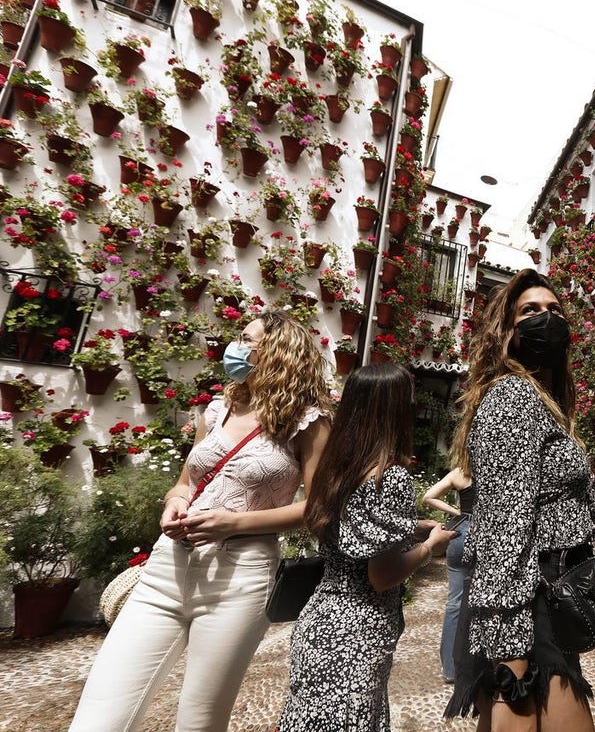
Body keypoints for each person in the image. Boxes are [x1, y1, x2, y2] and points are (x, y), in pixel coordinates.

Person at [69, 310, 332, 732]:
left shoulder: (307, 422)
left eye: (246, 339)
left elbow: (317, 508)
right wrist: (173, 505)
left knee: (200, 722)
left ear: (277, 352)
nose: (235, 347)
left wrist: (233, 524)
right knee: (98, 719)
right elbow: (184, 484)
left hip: (240, 579)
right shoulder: (216, 410)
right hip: (166, 571)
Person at [444, 269, 595, 732]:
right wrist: (510, 644)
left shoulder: (541, 399)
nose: (546, 319)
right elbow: (503, 526)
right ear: (507, 333)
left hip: (545, 594)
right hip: (530, 601)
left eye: (554, 310)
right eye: (530, 311)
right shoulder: (513, 396)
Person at [278, 363, 455, 731]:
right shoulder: (389, 477)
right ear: (395, 409)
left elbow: (353, 532)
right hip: (359, 631)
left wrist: (408, 529)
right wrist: (430, 547)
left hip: (320, 622)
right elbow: (382, 576)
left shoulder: (335, 470)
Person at [421, 466, 475, 683]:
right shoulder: (494, 467)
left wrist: (458, 513)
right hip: (484, 535)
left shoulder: (460, 472)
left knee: (454, 604)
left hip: (460, 534)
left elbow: (428, 497)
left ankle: (450, 670)